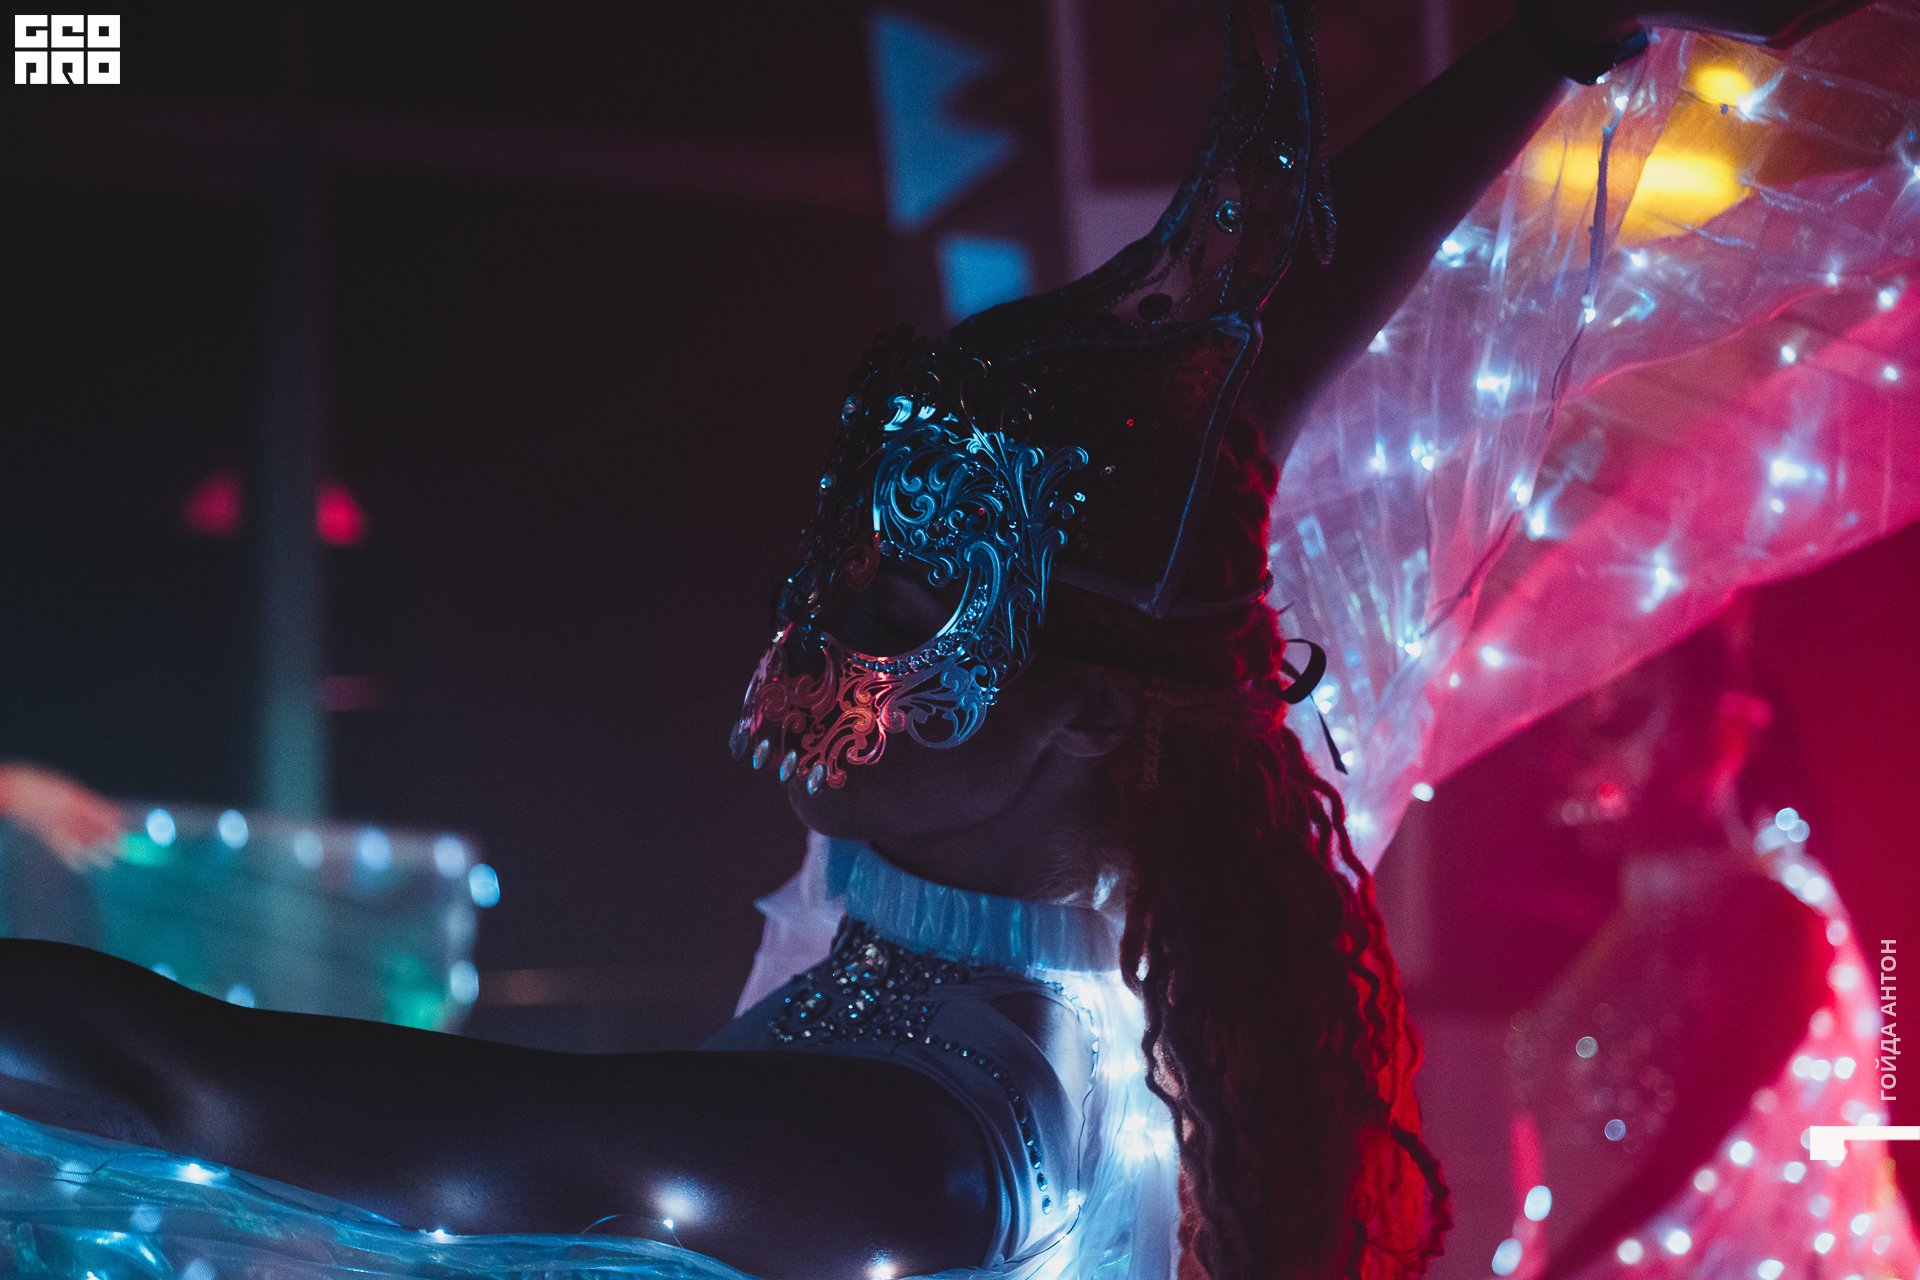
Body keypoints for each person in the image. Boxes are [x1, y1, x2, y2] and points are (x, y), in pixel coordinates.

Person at [0, 1, 1882, 1278]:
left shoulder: (896, 1152)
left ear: (1082, 721)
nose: (796, 649)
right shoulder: (1124, 893)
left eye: (898, 600)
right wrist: (1547, 46)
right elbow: (1275, 372)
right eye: (828, 567)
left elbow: (191, 1090)